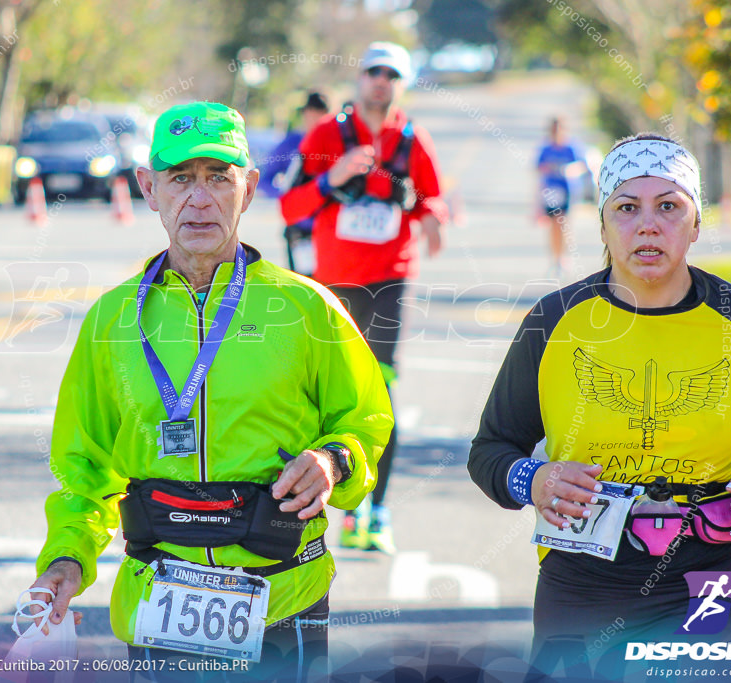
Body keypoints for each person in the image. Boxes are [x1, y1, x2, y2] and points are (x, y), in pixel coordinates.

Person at [28, 101, 393, 681]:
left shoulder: (305, 308)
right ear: (148, 188)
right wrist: (66, 558)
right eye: (180, 178)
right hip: (159, 599)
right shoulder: (112, 319)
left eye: (218, 178)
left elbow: (366, 421)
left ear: (247, 189)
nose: (199, 199)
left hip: (282, 596)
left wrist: (333, 460)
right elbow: (84, 467)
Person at [468, 133, 731, 677]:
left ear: (696, 224)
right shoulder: (556, 319)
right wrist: (531, 481)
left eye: (670, 207)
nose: (648, 225)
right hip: (581, 574)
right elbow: (491, 450)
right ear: (603, 224)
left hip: (709, 569)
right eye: (627, 208)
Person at [280, 41, 448, 554]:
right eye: (374, 71)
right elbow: (291, 206)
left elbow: (431, 199)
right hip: (334, 284)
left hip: (390, 280)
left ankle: (376, 510)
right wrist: (336, 176)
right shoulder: (327, 135)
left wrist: (429, 214)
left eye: (392, 74)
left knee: (382, 395)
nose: (381, 81)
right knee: (323, 397)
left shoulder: (412, 140)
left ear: (402, 83)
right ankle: (319, 504)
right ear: (360, 78)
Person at [258, 91, 329, 275]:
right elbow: (264, 177)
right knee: (303, 287)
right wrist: (284, 193)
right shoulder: (292, 143)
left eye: (321, 112)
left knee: (334, 289)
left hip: (331, 231)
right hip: (299, 230)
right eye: (311, 111)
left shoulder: (338, 145)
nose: (315, 117)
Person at [535, 116, 589, 278]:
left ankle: (563, 258)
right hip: (551, 192)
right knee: (552, 226)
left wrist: (569, 170)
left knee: (563, 224)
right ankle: (555, 259)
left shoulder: (571, 147)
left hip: (567, 191)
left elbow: (582, 166)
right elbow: (538, 168)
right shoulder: (546, 149)